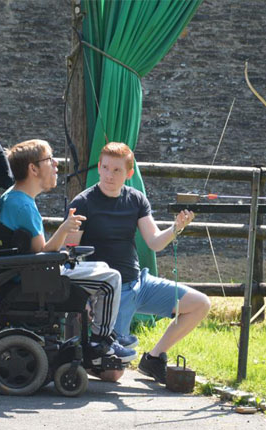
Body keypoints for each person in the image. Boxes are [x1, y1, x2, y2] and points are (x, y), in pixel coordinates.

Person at [66, 142, 211, 383]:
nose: (109, 175)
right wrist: (83, 299)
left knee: (200, 304)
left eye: (117, 170)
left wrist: (177, 227)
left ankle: (154, 358)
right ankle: (84, 358)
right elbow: (71, 254)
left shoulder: (136, 199)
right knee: (113, 374)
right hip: (108, 293)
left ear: (129, 174)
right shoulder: (83, 202)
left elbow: (154, 242)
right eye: (105, 168)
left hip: (139, 283)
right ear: (99, 168)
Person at [0, 139, 136, 365]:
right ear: (33, 168)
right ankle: (100, 341)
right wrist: (64, 230)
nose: (56, 164)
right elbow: (41, 252)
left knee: (103, 268)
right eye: (49, 159)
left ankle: (103, 335)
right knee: (111, 279)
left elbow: (36, 252)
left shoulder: (14, 197)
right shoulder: (23, 205)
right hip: (32, 278)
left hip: (26, 271)